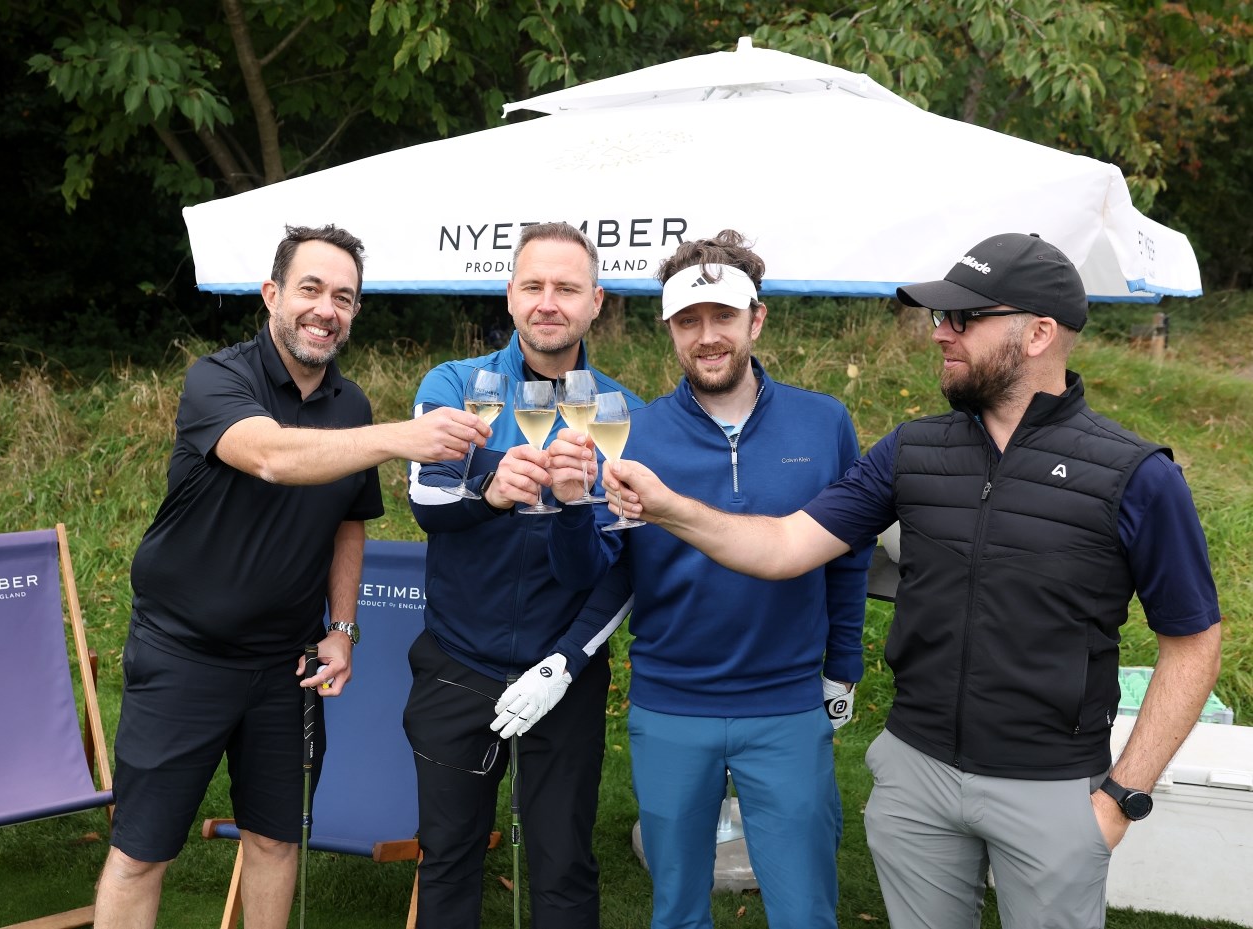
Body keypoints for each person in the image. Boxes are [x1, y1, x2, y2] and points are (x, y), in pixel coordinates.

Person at [586, 232, 1224, 929]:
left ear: (1039, 333)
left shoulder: (1135, 474)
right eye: (940, 316)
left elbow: (1193, 644)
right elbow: (787, 545)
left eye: (963, 318)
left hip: (1050, 784)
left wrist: (1122, 796)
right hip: (916, 779)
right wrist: (667, 506)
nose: (940, 332)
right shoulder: (913, 451)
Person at [94, 224, 491, 929]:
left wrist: (342, 629)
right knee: (141, 850)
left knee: (276, 840)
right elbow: (272, 456)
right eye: (311, 289)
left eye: (344, 296)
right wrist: (399, 437)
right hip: (184, 654)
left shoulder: (351, 406)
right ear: (272, 294)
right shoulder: (217, 379)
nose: (325, 309)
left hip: (287, 668)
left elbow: (347, 523)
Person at [540, 230, 871, 929]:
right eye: (688, 321)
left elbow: (848, 555)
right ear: (670, 331)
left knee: (805, 910)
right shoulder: (630, 432)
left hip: (786, 704)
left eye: (723, 316)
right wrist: (569, 509)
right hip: (670, 705)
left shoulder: (824, 421)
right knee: (677, 911)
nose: (708, 336)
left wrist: (842, 665)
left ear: (757, 318)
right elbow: (589, 572)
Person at [405, 221, 642, 929]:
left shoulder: (619, 411)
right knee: (447, 855)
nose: (548, 302)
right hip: (457, 662)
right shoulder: (457, 384)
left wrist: (564, 661)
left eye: (566, 288)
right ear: (509, 295)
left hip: (562, 675)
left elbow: (611, 569)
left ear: (596, 301)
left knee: (563, 864)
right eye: (533, 285)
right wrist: (489, 491)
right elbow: (426, 502)